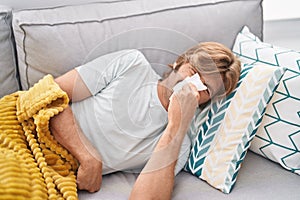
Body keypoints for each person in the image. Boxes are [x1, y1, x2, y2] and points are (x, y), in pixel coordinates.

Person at [49, 42, 241, 199]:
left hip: (55, 174)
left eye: (205, 88)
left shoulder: (180, 144)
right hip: (35, 133)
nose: (193, 85)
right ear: (178, 63)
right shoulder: (132, 64)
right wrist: (88, 158)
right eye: (193, 72)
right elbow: (51, 95)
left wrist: (177, 125)